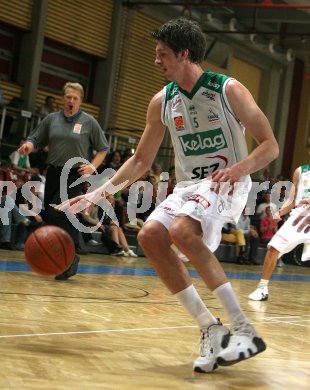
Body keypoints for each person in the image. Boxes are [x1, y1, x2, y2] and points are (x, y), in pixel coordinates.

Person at [56, 18, 279, 371]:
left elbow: (270, 146)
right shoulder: (162, 101)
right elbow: (141, 160)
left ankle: (244, 329)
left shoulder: (228, 90)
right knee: (150, 236)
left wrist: (237, 169)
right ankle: (211, 328)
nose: (156, 60)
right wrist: (97, 194)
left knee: (181, 231)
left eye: (162, 54)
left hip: (229, 180)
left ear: (183, 53)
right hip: (190, 186)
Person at [17, 81, 109, 280]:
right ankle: (63, 257)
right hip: (53, 173)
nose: (71, 101)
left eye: (75, 98)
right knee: (52, 216)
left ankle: (71, 255)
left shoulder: (89, 122)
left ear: (80, 101)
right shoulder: (51, 119)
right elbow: (36, 139)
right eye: (68, 97)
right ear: (62, 98)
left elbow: (103, 149)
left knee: (58, 211)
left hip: (74, 175)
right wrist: (28, 147)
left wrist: (92, 166)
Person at [249, 163, 310, 301]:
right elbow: (293, 199)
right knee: (274, 247)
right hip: (299, 218)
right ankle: (262, 288)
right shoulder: (301, 171)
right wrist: (280, 213)